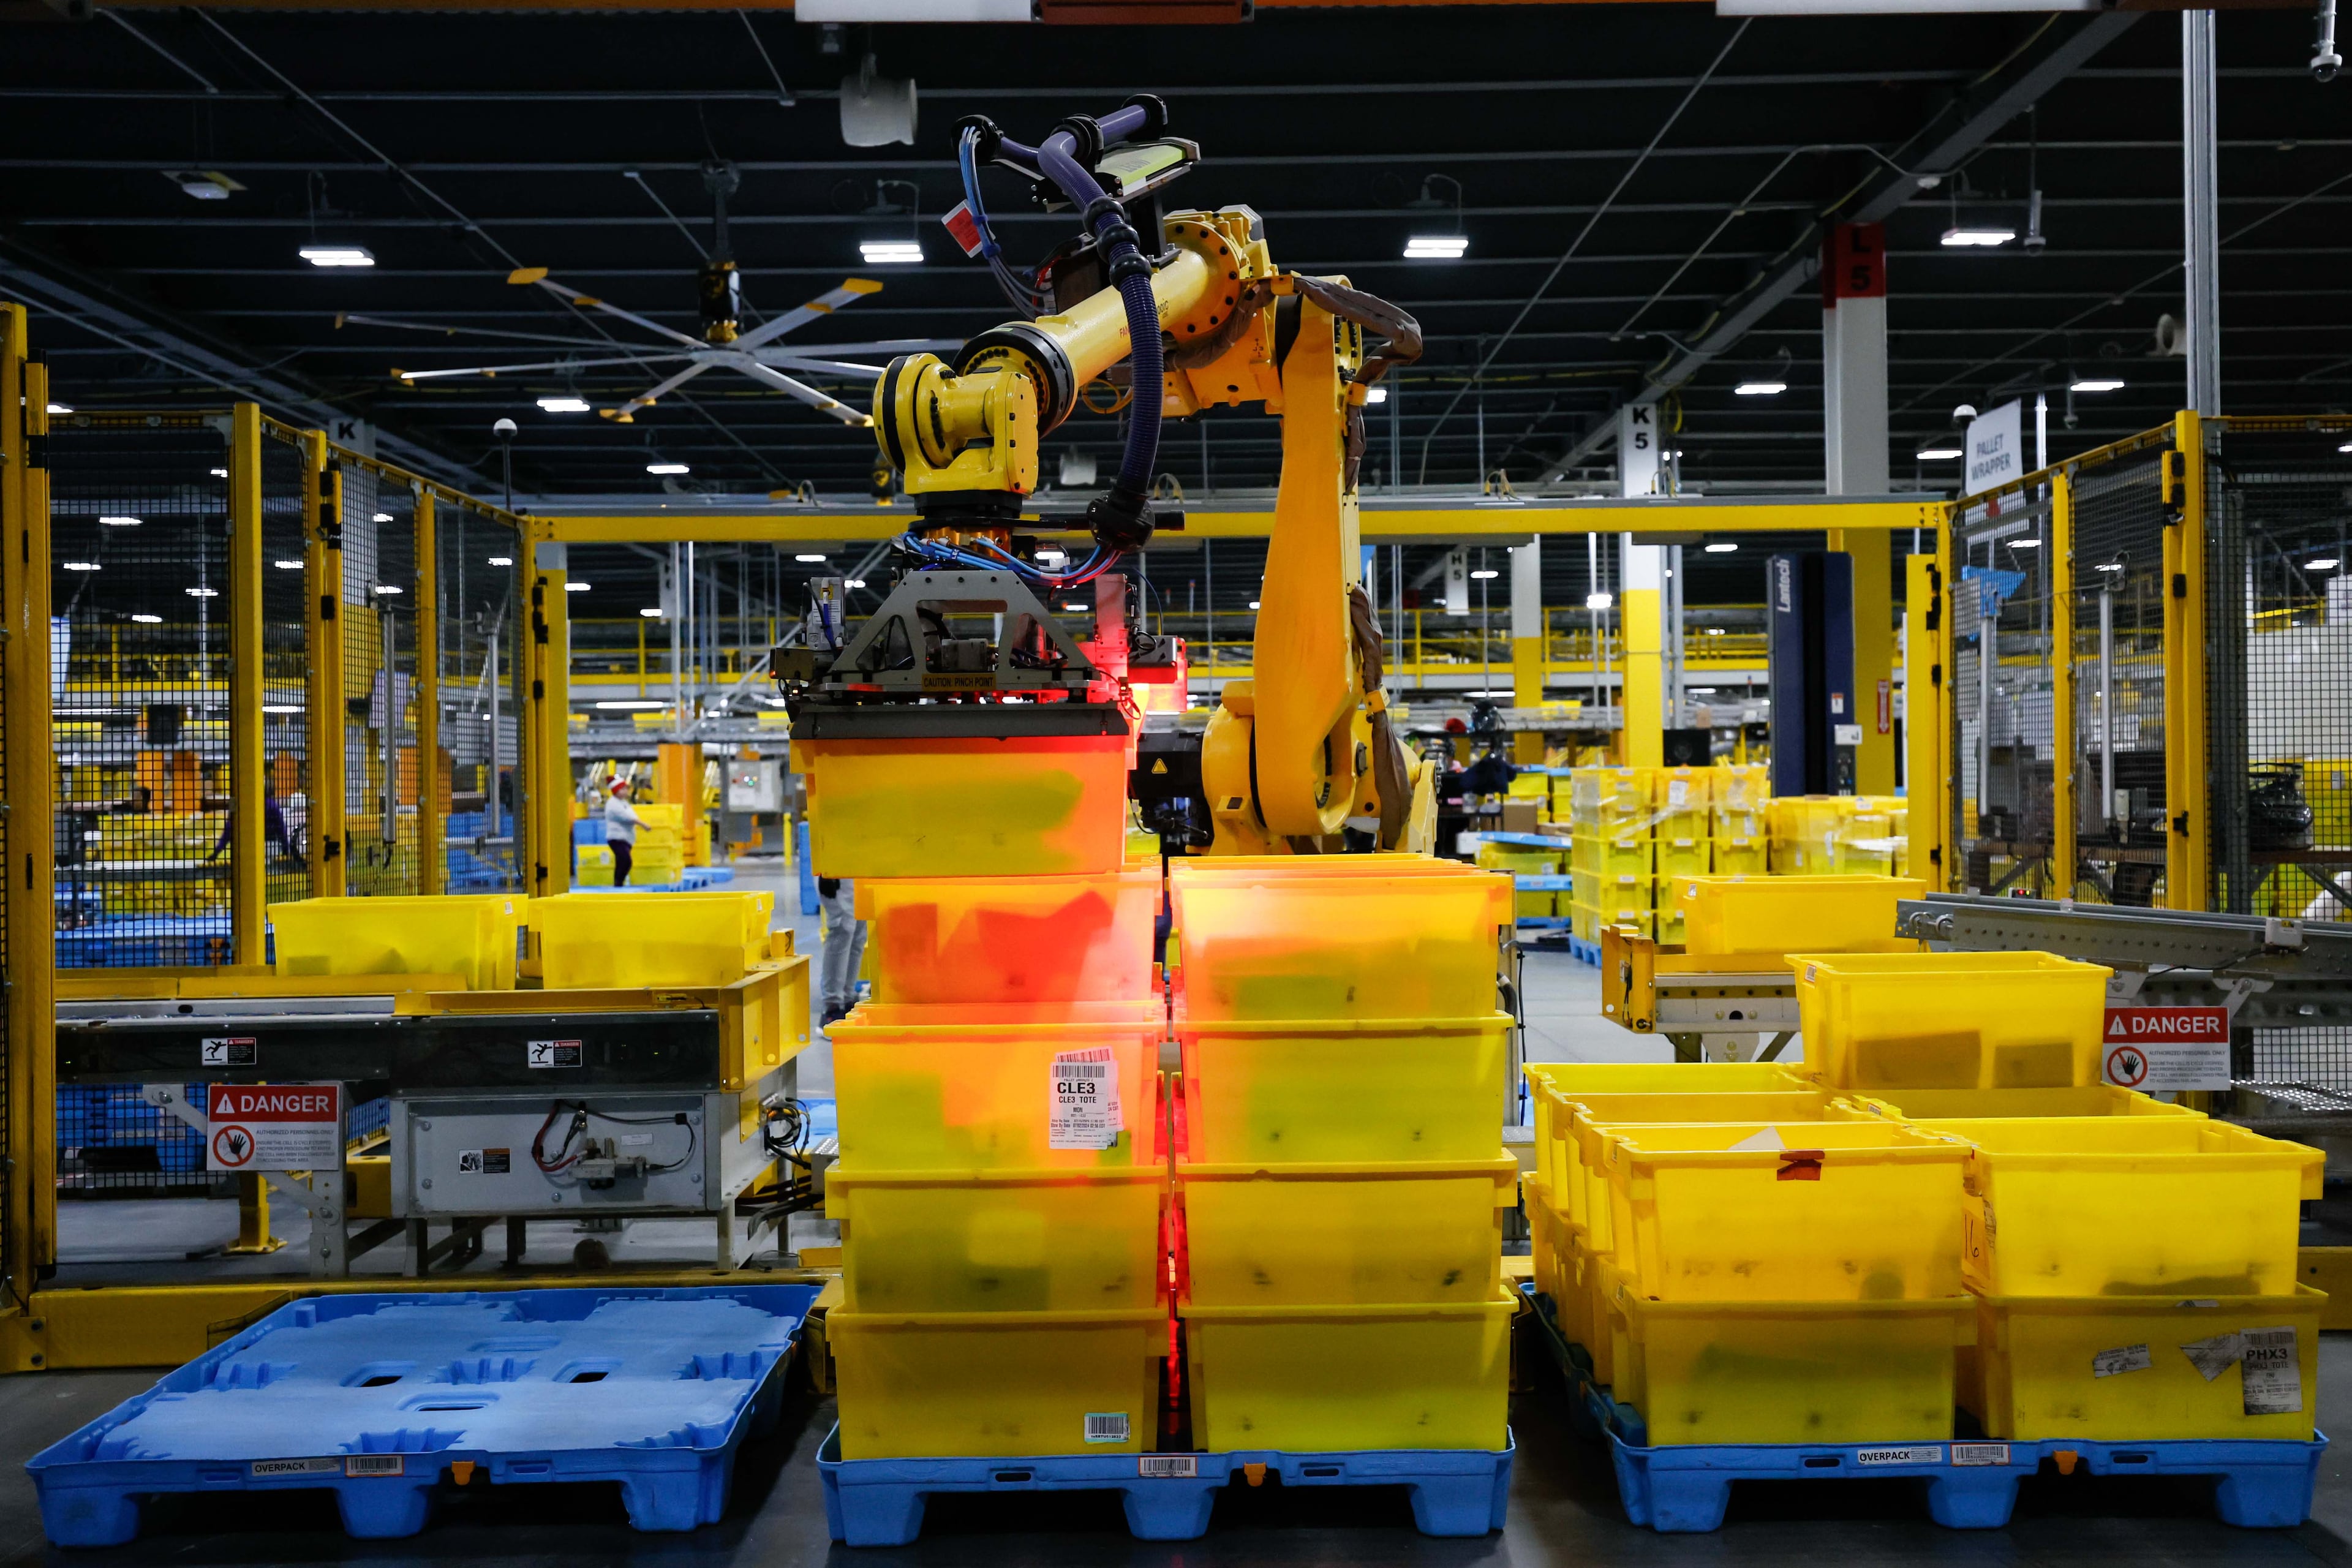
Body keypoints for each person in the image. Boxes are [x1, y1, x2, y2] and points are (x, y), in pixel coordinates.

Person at [816, 875, 866, 1030]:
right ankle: (832, 1008)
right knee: (842, 929)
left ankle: (847, 1000)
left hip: (861, 871)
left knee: (859, 934)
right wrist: (825, 872)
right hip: (837, 873)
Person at [603, 777, 646, 886]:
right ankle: (618, 883)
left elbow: (632, 815)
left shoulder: (623, 803)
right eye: (623, 789)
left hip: (626, 838)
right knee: (626, 861)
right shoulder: (613, 804)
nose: (626, 791)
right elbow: (628, 817)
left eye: (626, 789)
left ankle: (618, 884)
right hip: (617, 838)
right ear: (616, 791)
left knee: (621, 862)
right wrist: (643, 825)